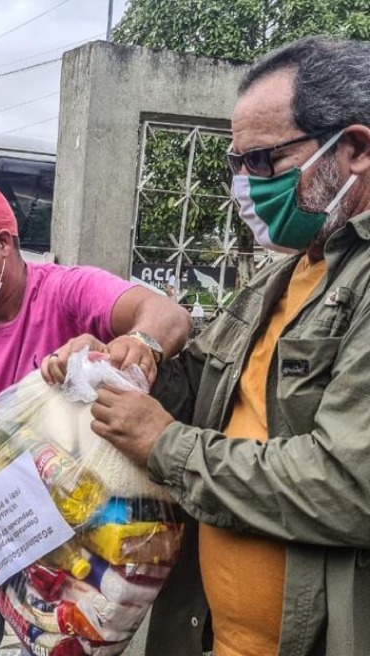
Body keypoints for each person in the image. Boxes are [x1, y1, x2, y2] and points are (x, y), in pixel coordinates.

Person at [71, 38, 370, 656]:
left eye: (262, 162)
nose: (245, 186)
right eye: (237, 164)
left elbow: (349, 485)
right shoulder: (281, 272)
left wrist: (165, 445)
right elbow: (211, 390)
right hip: (212, 632)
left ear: (356, 149)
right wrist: (135, 364)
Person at [0, 183, 191, 656]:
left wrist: (141, 343)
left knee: (71, 637)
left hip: (85, 511)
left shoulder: (66, 289)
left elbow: (167, 314)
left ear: (3, 243)